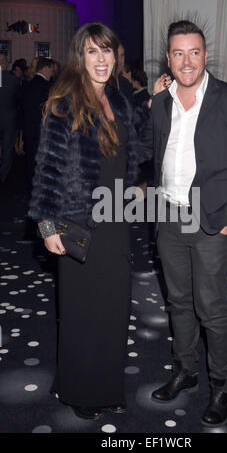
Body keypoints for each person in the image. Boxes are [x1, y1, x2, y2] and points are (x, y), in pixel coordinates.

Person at [139, 20, 227, 427]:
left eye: (194, 52)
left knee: (210, 307)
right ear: (169, 58)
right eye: (178, 53)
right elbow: (146, 152)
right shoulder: (161, 102)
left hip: (211, 220)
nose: (186, 61)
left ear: (205, 55)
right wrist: (146, 106)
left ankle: (223, 384)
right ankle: (186, 369)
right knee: (178, 302)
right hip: (168, 217)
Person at [28, 22, 139, 420]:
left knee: (113, 309)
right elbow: (47, 169)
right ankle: (81, 391)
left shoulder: (120, 100)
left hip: (117, 222)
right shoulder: (64, 102)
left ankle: (104, 386)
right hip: (77, 222)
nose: (102, 59)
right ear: (80, 56)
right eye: (92, 51)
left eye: (107, 50)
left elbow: (133, 155)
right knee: (81, 313)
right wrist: (46, 226)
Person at [22, 56, 54, 188]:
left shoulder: (27, 84)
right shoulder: (47, 87)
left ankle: (31, 189)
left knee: (31, 163)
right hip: (42, 132)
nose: (52, 73)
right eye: (51, 70)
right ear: (46, 69)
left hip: (29, 130)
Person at [0, 52, 20, 182]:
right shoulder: (13, 79)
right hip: (9, 119)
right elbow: (18, 100)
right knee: (7, 149)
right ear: (5, 64)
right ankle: (2, 176)